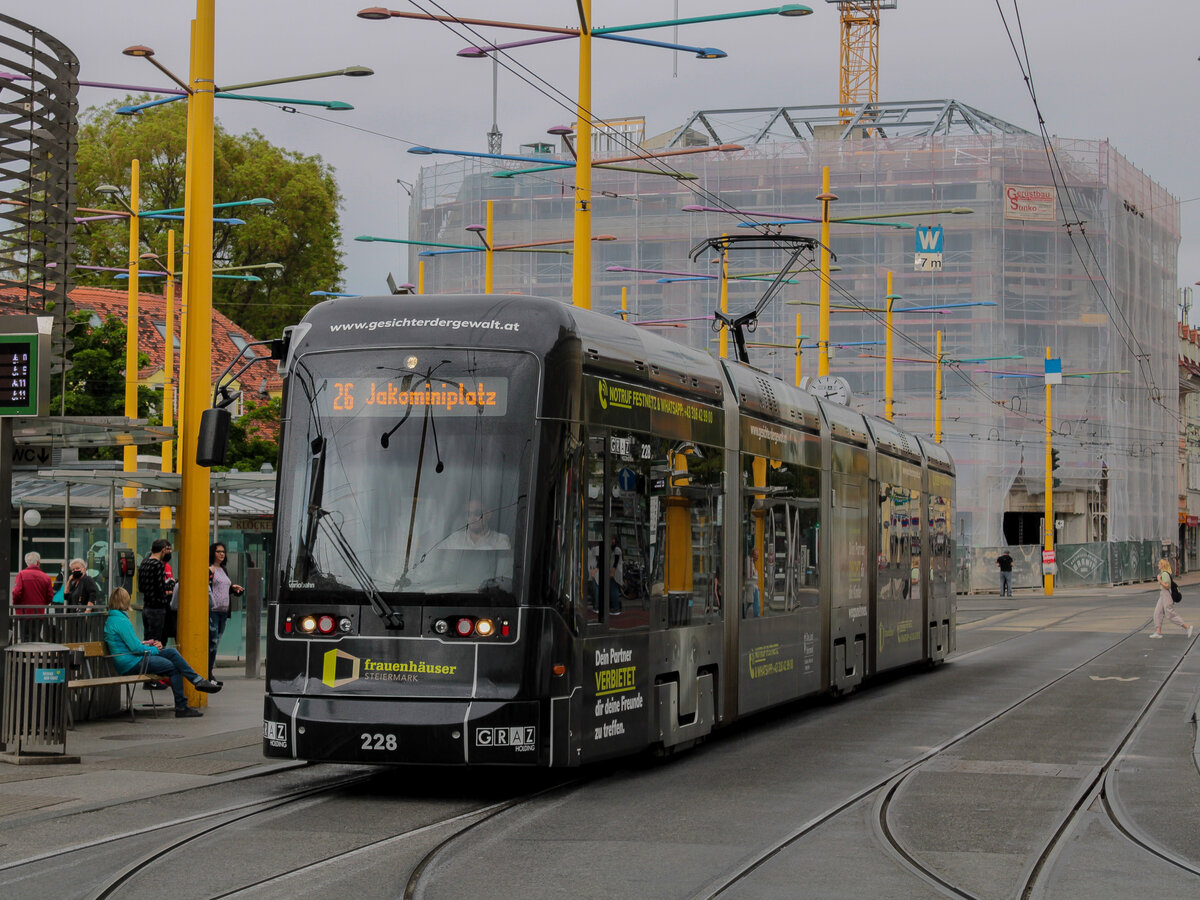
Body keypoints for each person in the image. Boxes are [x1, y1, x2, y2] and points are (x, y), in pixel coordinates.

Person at [103, 587, 221, 717]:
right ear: (125, 601)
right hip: (131, 663)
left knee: (171, 652)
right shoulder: (121, 621)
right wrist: (154, 649)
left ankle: (197, 680)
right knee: (173, 667)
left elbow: (131, 644)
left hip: (130, 659)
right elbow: (136, 649)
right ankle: (182, 707)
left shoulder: (114, 619)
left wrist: (149, 643)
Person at [208, 542, 243, 680]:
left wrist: (233, 589)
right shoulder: (210, 569)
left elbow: (222, 589)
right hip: (213, 610)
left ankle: (209, 671)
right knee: (212, 642)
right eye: (218, 551)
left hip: (223, 612)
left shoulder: (223, 569)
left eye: (223, 551)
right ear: (213, 553)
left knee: (216, 642)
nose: (222, 554)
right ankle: (207, 672)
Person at [138, 539, 174, 646]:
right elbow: (160, 587)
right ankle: (154, 661)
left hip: (146, 607)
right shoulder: (158, 564)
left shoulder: (144, 562)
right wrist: (170, 583)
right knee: (156, 641)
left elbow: (141, 587)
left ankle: (147, 660)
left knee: (147, 639)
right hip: (157, 608)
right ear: (163, 550)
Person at [443, 500, 511, 550]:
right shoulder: (453, 540)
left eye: (477, 513)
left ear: (488, 514)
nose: (472, 518)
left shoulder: (500, 541)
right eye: (468, 514)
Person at [1150, 558, 1192, 639]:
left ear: (1163, 565)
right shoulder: (1163, 573)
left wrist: (1159, 580)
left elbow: (1167, 586)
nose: (1158, 565)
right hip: (1162, 595)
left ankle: (1187, 627)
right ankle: (1158, 632)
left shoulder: (1165, 574)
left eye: (1159, 563)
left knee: (1170, 614)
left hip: (1167, 595)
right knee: (1157, 612)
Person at [12, 551, 53, 616]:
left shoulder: (21, 575)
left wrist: (16, 604)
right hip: (39, 612)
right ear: (38, 563)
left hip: (23, 612)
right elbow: (50, 596)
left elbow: (16, 592)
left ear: (27, 562)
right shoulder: (46, 577)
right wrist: (42, 604)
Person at [608, 535, 624, 615]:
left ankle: (616, 608)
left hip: (616, 572)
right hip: (615, 572)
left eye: (613, 539)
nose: (612, 541)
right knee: (614, 589)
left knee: (614, 590)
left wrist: (612, 572)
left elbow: (616, 562)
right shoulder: (616, 549)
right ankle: (616, 607)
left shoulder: (617, 549)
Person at [744, 546, 760, 617]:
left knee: (750, 602)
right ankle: (757, 615)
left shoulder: (752, 564)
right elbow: (750, 576)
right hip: (751, 587)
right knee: (755, 602)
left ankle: (745, 613)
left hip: (753, 587)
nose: (757, 557)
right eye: (756, 555)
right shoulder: (749, 562)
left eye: (758, 555)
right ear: (752, 555)